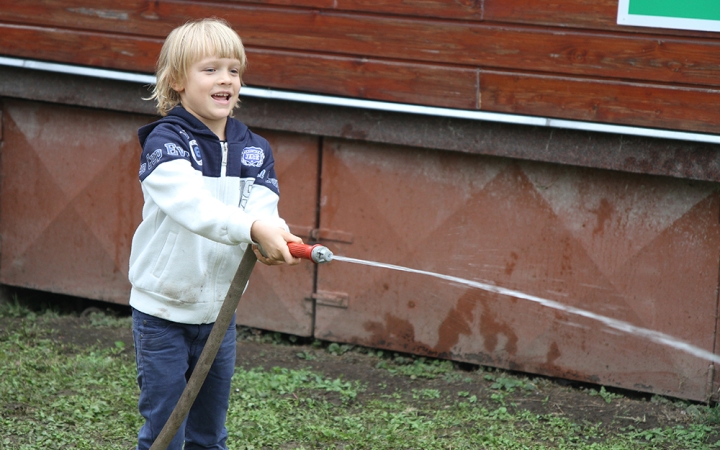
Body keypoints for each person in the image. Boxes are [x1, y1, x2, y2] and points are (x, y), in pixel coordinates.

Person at [127, 18, 302, 450]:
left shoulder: (255, 150)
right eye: (210, 69)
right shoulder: (165, 143)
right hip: (162, 315)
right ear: (176, 81)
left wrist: (272, 233)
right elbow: (194, 207)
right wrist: (253, 227)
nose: (225, 79)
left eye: (234, 70)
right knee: (165, 431)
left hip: (220, 316)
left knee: (210, 433)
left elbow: (262, 209)